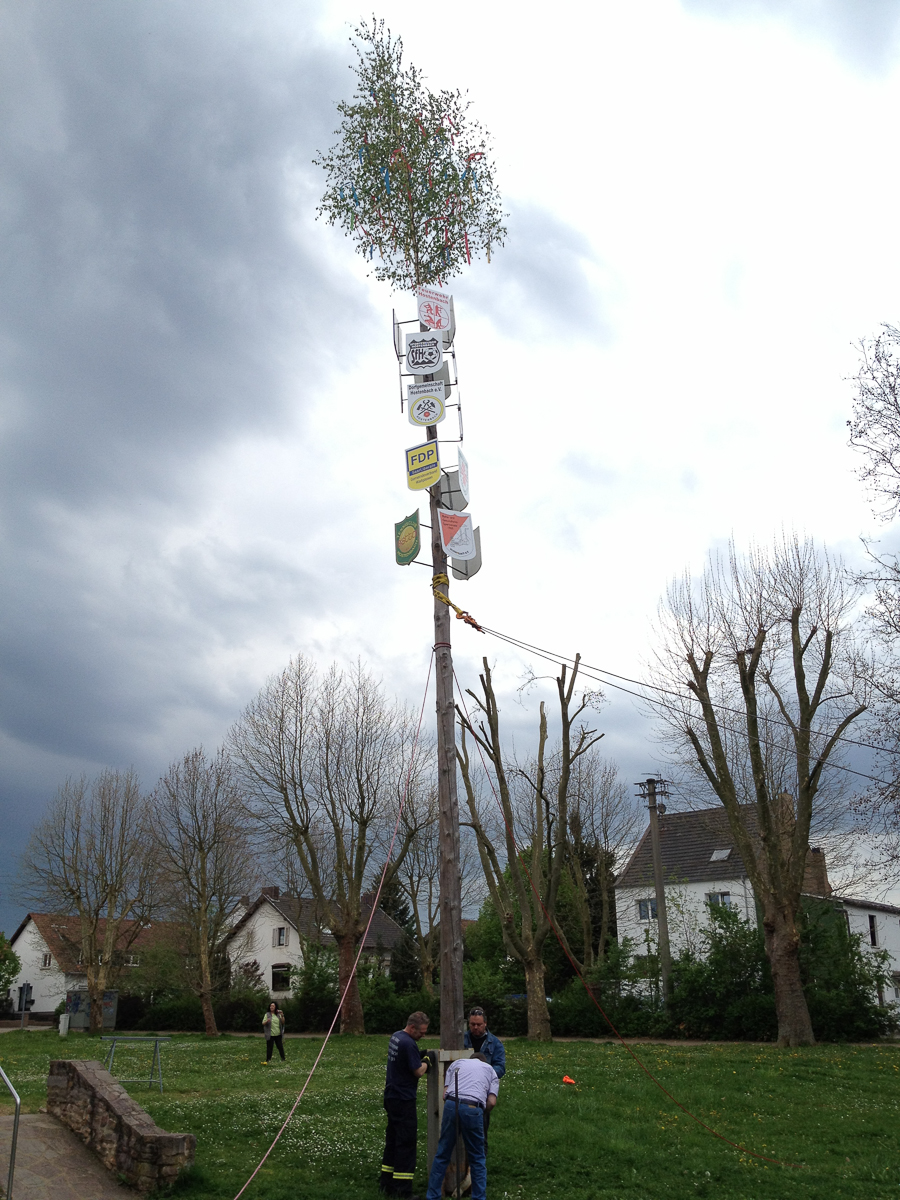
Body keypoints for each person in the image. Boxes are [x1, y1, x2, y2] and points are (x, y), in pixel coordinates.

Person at [425, 1053, 499, 1200]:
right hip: (473, 1108)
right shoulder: (490, 1070)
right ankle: (478, 1197)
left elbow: (445, 1093)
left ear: (470, 1059)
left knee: (442, 1153)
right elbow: (491, 1102)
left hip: (452, 1104)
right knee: (477, 1157)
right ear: (483, 1061)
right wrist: (480, 1112)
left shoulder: (457, 1064)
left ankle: (433, 1195)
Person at [380, 1011, 430, 1197]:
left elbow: (404, 1060)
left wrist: (419, 1054)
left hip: (391, 1096)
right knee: (406, 1143)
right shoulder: (409, 1044)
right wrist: (426, 1062)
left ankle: (386, 1183)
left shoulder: (397, 1037)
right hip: (404, 1099)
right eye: (421, 1032)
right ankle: (402, 1189)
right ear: (412, 1027)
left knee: (392, 1140)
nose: (423, 1035)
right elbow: (417, 1071)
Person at [463, 1007, 505, 1146]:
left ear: (485, 1024)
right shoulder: (461, 1040)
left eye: (479, 1025)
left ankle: (480, 1159)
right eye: (472, 1024)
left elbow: (500, 1067)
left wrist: (484, 1072)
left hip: (483, 1091)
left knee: (481, 1129)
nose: (475, 1027)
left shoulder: (495, 1043)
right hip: (464, 1088)